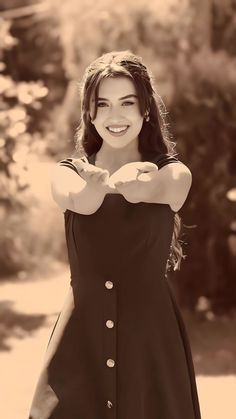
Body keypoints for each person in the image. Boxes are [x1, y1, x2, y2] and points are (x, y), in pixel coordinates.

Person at [28, 50, 201, 419]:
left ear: (146, 109)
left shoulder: (173, 173)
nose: (115, 116)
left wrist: (131, 185)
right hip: (80, 342)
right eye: (102, 104)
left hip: (150, 341)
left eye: (127, 102)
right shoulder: (67, 172)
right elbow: (82, 201)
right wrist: (100, 185)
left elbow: (156, 191)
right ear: (89, 113)